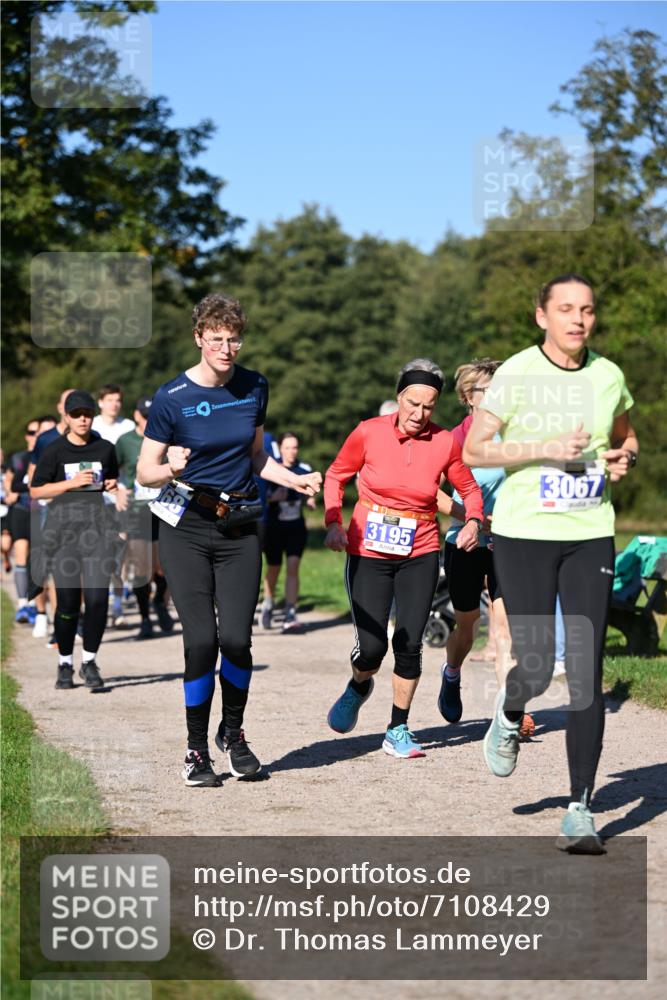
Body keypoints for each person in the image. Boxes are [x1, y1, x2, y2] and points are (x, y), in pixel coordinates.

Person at [463, 274, 638, 853]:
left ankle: (580, 808)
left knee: (585, 671)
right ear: (542, 316)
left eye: (586, 309)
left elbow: (627, 438)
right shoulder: (516, 373)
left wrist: (623, 458)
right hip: (525, 535)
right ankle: (511, 709)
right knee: (537, 668)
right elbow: (475, 449)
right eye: (565, 309)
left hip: (590, 533)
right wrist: (543, 450)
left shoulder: (608, 375)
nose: (578, 319)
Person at [136, 292, 321, 787]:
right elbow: (144, 470)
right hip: (187, 527)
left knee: (237, 640)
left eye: (234, 339)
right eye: (216, 338)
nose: (226, 348)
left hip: (239, 527)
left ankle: (233, 734)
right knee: (201, 641)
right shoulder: (172, 397)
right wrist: (169, 467)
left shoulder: (254, 386)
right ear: (198, 337)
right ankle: (196, 750)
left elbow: (257, 455)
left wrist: (294, 480)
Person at [324, 358, 484, 759]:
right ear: (399, 397)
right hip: (368, 549)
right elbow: (336, 475)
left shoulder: (444, 441)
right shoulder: (368, 432)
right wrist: (333, 522)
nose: (419, 413)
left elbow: (469, 488)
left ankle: (397, 728)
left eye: (429, 406)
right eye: (413, 403)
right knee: (372, 648)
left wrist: (474, 521)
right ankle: (359, 684)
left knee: (410, 641)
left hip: (420, 549)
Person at [30, 390, 119, 690]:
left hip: (97, 532)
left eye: (87, 414)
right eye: (77, 414)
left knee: (97, 600)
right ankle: (65, 663)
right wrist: (70, 483)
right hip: (64, 534)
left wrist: (111, 484)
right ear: (66, 417)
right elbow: (36, 490)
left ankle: (90, 662)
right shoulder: (54, 450)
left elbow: (111, 479)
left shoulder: (105, 448)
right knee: (68, 603)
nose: (83, 419)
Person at [115, 396, 174, 639]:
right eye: (145, 416)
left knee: (164, 568)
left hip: (165, 509)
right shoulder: (126, 441)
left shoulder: (169, 438)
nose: (149, 420)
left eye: (153, 416)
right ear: (136, 415)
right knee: (142, 568)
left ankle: (159, 602)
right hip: (137, 511)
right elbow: (112, 469)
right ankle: (145, 619)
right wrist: (118, 489)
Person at [261, 432, 316, 632]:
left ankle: (290, 611)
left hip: (296, 526)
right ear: (280, 449)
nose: (292, 451)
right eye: (287, 447)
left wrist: (310, 500)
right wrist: (272, 497)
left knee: (293, 566)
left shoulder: (304, 469)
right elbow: (262, 495)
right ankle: (268, 602)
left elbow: (311, 492)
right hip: (274, 527)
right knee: (274, 567)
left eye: (295, 447)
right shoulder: (272, 470)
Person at [4, 419, 41, 624]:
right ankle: (22, 606)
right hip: (20, 510)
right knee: (20, 554)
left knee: (35, 558)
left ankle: (34, 603)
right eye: (32, 432)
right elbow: (9, 480)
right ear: (27, 436)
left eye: (38, 432)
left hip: (39, 511)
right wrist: (10, 493)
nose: (35, 436)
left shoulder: (46, 456)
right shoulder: (18, 458)